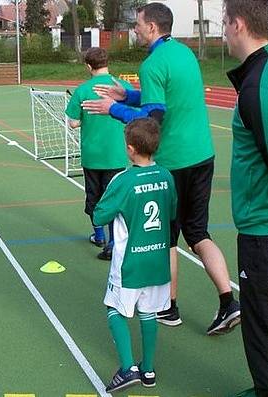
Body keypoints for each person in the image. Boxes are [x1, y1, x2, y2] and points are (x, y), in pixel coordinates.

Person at [82, 2, 240, 335]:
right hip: (203, 155)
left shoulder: (152, 63)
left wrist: (113, 109)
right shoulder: (183, 54)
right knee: (198, 233)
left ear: (152, 27)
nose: (135, 28)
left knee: (167, 238)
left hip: (175, 162)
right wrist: (128, 96)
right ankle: (228, 301)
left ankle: (169, 307)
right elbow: (165, 96)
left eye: (138, 24)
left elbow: (152, 122)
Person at [94, 118, 176, 392]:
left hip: (130, 262)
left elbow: (100, 214)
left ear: (130, 149)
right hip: (158, 260)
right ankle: (148, 369)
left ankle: (128, 368)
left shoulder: (123, 180)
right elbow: (172, 212)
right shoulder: (166, 175)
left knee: (115, 307)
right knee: (149, 311)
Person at [223, 0, 268, 395]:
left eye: (223, 22)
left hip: (263, 232)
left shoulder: (259, 84)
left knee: (261, 323)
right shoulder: (257, 77)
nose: (222, 31)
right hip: (259, 226)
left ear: (238, 24)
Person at [65, 47, 131, 260]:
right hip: (117, 155)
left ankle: (99, 235)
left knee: (94, 197)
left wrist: (79, 118)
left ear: (88, 66)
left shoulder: (82, 90)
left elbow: (73, 123)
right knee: (114, 197)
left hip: (93, 156)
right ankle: (113, 241)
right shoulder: (123, 87)